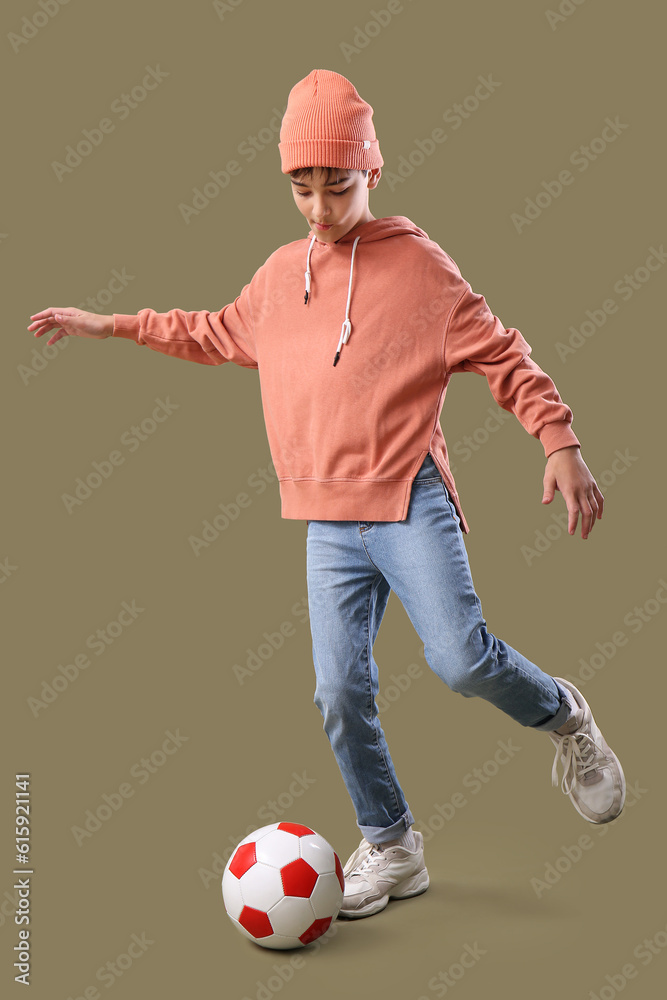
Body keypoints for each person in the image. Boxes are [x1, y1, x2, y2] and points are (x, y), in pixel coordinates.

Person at [28, 68, 625, 921]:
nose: (317, 205)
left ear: (370, 173)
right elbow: (210, 331)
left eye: (335, 185)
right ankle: (390, 844)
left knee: (458, 659)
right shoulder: (280, 276)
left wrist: (558, 440)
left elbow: (503, 353)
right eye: (300, 187)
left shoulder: (419, 268)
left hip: (406, 496)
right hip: (327, 520)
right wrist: (111, 324)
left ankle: (565, 718)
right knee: (339, 693)